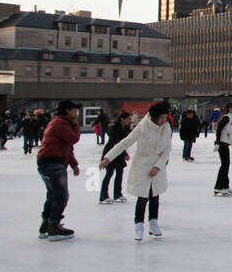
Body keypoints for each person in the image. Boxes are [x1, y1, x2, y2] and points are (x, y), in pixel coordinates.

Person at [100, 101, 174, 242]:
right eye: (162, 117)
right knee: (143, 197)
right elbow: (124, 143)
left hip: (157, 168)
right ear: (154, 117)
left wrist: (157, 166)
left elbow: (167, 150)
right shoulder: (142, 127)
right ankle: (139, 225)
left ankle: (153, 223)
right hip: (143, 166)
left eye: (165, 117)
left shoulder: (167, 128)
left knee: (155, 196)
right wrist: (107, 158)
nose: (164, 120)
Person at [35, 100, 82, 241]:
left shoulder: (58, 123)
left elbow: (67, 147)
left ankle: (46, 225)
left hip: (48, 162)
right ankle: (53, 227)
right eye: (75, 109)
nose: (76, 112)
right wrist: (75, 123)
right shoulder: (61, 124)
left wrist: (73, 164)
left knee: (52, 195)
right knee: (61, 196)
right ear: (67, 110)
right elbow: (73, 139)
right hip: (53, 163)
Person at [99, 110, 132, 204]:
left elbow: (126, 142)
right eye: (128, 119)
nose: (130, 121)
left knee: (119, 174)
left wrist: (124, 152)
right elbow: (116, 142)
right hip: (110, 154)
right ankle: (103, 196)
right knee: (109, 174)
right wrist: (124, 153)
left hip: (119, 154)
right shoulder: (114, 128)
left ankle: (117, 194)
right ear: (122, 119)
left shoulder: (126, 128)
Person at [213, 101, 232, 196]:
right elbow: (219, 130)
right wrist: (217, 143)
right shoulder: (226, 118)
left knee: (226, 165)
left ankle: (225, 186)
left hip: (226, 144)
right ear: (229, 108)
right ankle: (219, 187)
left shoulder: (231, 119)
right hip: (222, 144)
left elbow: (231, 133)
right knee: (224, 165)